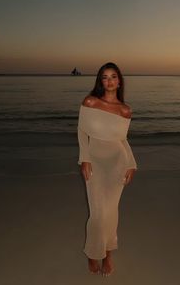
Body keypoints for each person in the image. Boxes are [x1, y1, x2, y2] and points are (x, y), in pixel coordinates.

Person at [77, 62, 137, 276]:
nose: (109, 81)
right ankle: (94, 253)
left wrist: (131, 163)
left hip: (117, 163)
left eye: (113, 76)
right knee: (97, 212)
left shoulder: (125, 110)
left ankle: (108, 254)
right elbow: (82, 132)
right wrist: (84, 158)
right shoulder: (90, 102)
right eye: (105, 77)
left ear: (119, 80)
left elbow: (123, 140)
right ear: (100, 81)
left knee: (111, 211)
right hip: (94, 162)